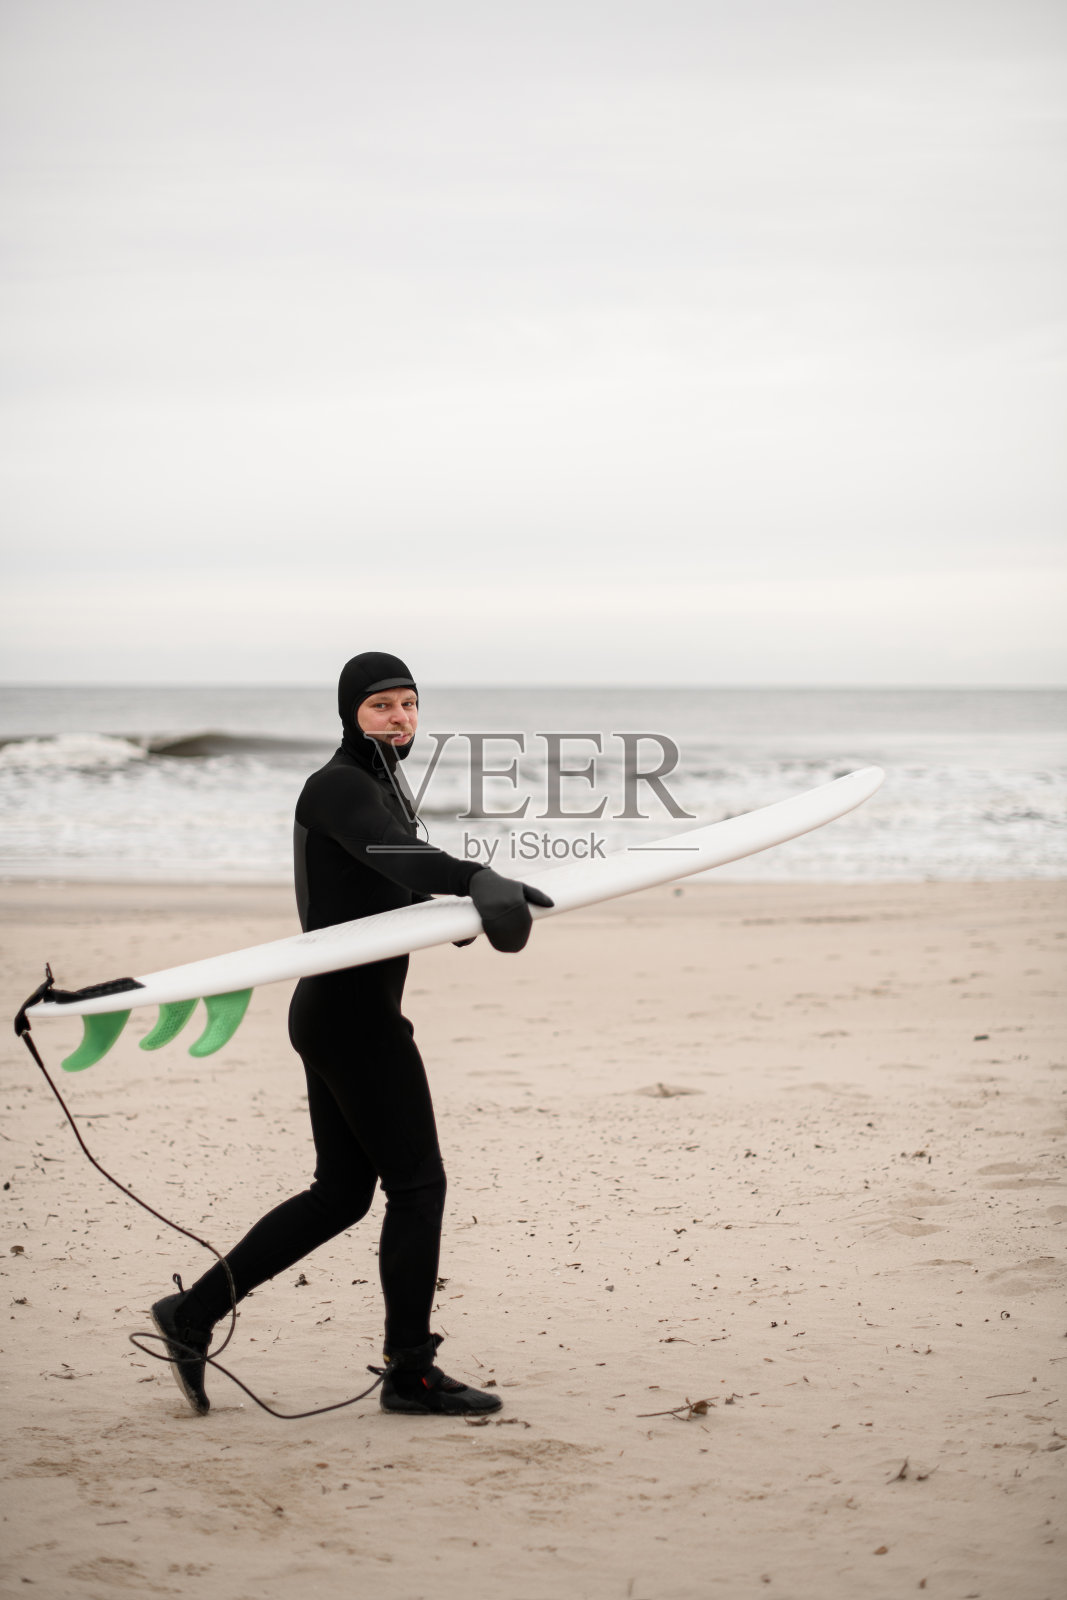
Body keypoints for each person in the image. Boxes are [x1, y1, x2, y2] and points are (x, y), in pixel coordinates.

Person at [149, 652, 552, 1417]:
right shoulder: (339, 785)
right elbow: (394, 856)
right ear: (349, 713)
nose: (399, 718)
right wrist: (473, 879)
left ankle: (191, 1314)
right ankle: (409, 1374)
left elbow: (378, 888)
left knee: (340, 1194)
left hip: (339, 1013)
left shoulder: (381, 787)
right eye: (381, 707)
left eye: (408, 704)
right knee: (417, 1185)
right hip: (353, 1020)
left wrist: (452, 917)